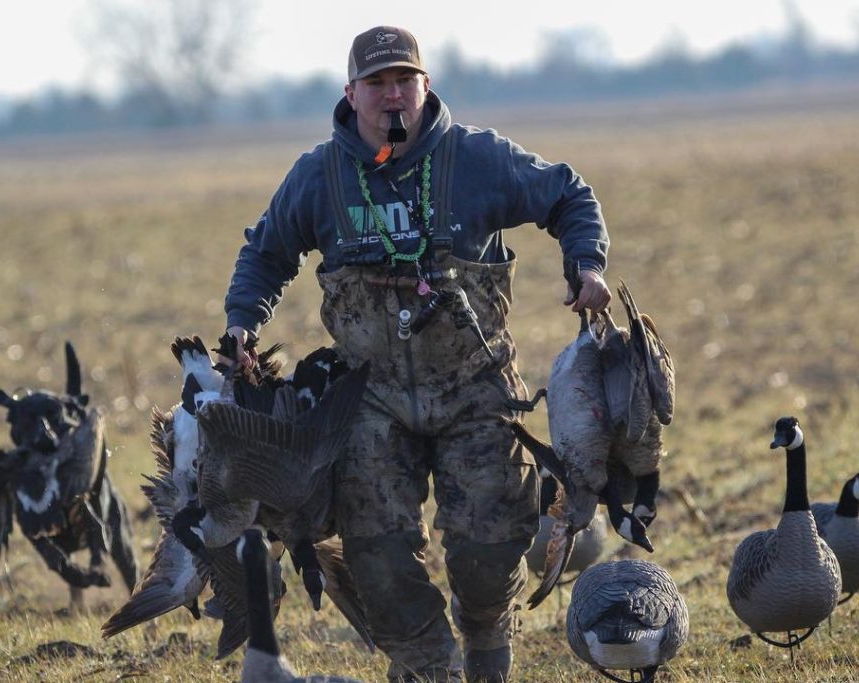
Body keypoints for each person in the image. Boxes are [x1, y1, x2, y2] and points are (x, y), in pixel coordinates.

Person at [223, 25, 611, 683]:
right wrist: (241, 324)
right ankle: (430, 669)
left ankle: (485, 645)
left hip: (477, 389)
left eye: (403, 79)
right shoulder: (320, 176)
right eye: (376, 83)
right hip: (369, 401)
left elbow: (567, 193)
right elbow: (265, 253)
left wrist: (586, 264)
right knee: (379, 561)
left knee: (489, 558)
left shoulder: (476, 159)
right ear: (351, 94)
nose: (392, 95)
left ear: (426, 85)